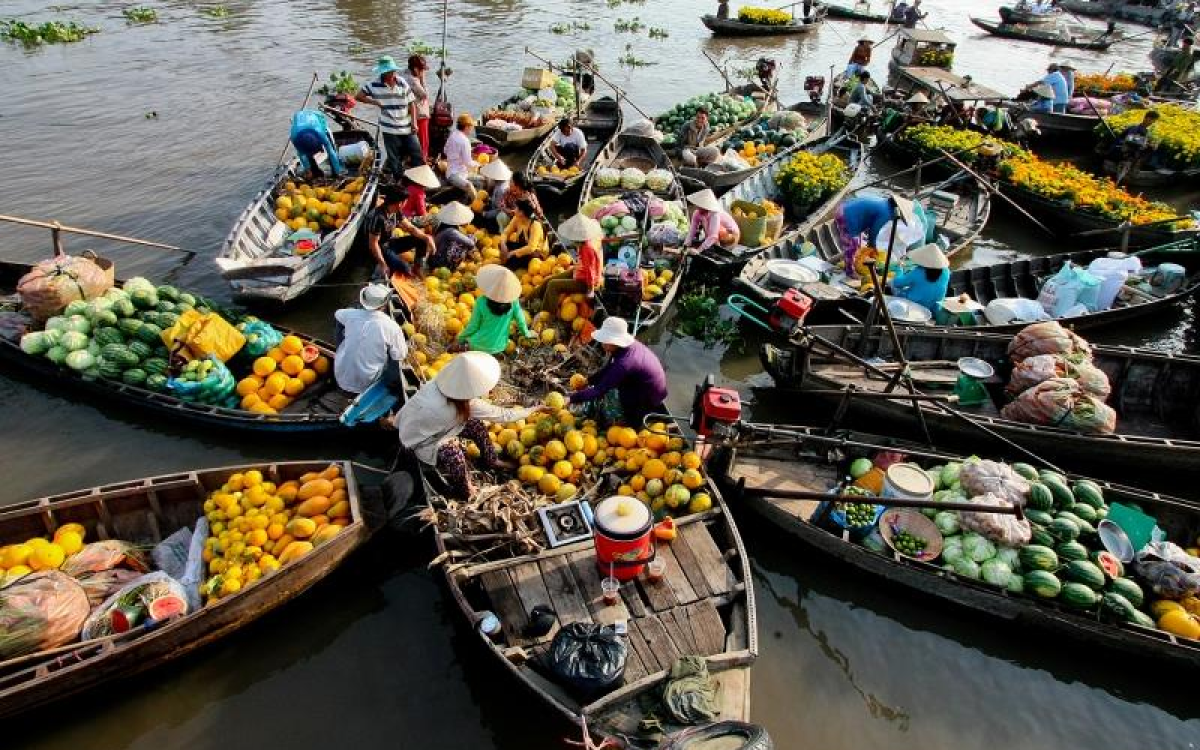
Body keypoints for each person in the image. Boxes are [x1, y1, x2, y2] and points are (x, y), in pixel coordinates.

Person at [393, 352, 545, 499]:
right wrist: (534, 409)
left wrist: (395, 421)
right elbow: (504, 415)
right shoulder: (468, 405)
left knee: (475, 425)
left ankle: (491, 460)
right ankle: (465, 490)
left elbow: (412, 405)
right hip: (421, 443)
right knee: (454, 454)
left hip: (419, 429)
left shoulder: (436, 384)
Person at [568, 317, 668, 428]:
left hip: (648, 398)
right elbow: (608, 369)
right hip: (644, 387)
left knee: (608, 403)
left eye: (605, 341)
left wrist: (571, 399)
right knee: (605, 384)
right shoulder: (626, 348)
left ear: (614, 341)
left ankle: (629, 423)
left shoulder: (624, 363)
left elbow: (599, 390)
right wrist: (589, 380)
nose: (602, 344)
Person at [333, 283, 408, 395]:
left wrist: (340, 341)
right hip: (367, 382)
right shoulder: (391, 326)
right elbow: (400, 355)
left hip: (340, 375)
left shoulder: (350, 314)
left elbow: (337, 314)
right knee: (393, 357)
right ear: (384, 304)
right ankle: (387, 386)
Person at [357, 56, 422, 179]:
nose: (392, 74)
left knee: (416, 152)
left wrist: (414, 122)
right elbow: (359, 96)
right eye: (389, 72)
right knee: (394, 158)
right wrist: (375, 102)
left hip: (406, 126)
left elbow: (411, 103)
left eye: (393, 71)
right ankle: (399, 180)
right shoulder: (373, 85)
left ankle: (419, 179)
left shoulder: (402, 82)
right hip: (389, 129)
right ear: (383, 72)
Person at [454, 266, 532, 354]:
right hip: (500, 346)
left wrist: (460, 339)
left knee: (465, 344)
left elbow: (473, 326)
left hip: (478, 345)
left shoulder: (481, 301)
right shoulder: (513, 302)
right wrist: (527, 334)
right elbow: (520, 321)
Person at [366, 185, 436, 279]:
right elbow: (373, 244)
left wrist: (427, 238)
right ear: (400, 203)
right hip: (381, 248)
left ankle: (417, 268)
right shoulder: (378, 217)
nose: (406, 203)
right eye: (405, 201)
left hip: (390, 243)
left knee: (422, 240)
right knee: (405, 269)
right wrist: (382, 263)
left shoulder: (396, 212)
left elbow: (410, 228)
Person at [540, 213, 604, 314]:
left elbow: (590, 272)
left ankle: (546, 315)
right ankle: (529, 299)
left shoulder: (587, 248)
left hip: (584, 282)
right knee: (549, 279)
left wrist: (590, 291)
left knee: (553, 285)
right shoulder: (585, 243)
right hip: (579, 271)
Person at [836, 193, 910, 279]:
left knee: (858, 242)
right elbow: (875, 230)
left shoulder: (884, 201)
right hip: (847, 216)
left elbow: (871, 222)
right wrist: (872, 245)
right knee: (852, 245)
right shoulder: (886, 212)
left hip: (844, 208)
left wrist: (871, 242)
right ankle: (849, 271)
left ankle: (851, 261)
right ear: (897, 208)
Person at [890, 243, 950, 314]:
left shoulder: (918, 272)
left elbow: (897, 283)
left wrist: (899, 269)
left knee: (893, 285)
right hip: (934, 308)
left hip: (914, 306)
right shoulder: (947, 271)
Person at [288, 109, 344, 181]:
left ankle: (336, 172)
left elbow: (331, 151)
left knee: (331, 147)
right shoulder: (295, 138)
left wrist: (338, 172)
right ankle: (316, 173)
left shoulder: (320, 133)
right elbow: (301, 155)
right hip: (299, 123)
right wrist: (308, 170)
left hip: (317, 118)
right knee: (308, 156)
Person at [1112, 108, 1160, 182]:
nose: (1152, 122)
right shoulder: (1134, 128)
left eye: (1154, 121)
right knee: (1124, 171)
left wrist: (1151, 144)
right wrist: (1144, 143)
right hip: (1128, 154)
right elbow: (1129, 139)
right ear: (1147, 118)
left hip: (1135, 155)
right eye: (1152, 120)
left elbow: (1147, 143)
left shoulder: (1147, 131)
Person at [428, 201, 477, 271]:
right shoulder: (451, 231)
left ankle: (470, 257)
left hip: (434, 259)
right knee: (472, 238)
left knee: (463, 240)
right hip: (440, 262)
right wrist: (473, 251)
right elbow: (471, 243)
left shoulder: (442, 226)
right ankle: (454, 266)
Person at [500, 199, 548, 270]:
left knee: (513, 259)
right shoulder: (517, 218)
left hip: (536, 252)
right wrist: (503, 244)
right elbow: (506, 232)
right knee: (501, 245)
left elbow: (531, 248)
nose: (514, 209)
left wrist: (512, 253)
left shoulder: (535, 225)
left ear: (521, 212)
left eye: (516, 208)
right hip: (523, 245)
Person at [401, 55, 432, 161]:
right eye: (422, 70)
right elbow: (425, 95)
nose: (423, 72)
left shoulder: (403, 75)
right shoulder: (413, 80)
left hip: (407, 114)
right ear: (415, 69)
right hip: (419, 115)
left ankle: (412, 159)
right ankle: (422, 162)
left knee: (411, 141)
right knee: (423, 141)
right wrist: (423, 79)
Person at [444, 113, 479, 203]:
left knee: (478, 179)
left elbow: (445, 150)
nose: (471, 129)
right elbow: (468, 163)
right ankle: (478, 207)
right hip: (455, 175)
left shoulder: (452, 135)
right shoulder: (465, 141)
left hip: (451, 171)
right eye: (471, 127)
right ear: (467, 127)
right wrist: (479, 164)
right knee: (469, 185)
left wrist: (456, 157)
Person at [479, 158, 513, 231]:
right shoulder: (501, 183)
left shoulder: (501, 189)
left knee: (480, 219)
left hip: (499, 215)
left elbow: (499, 210)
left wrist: (485, 214)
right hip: (495, 208)